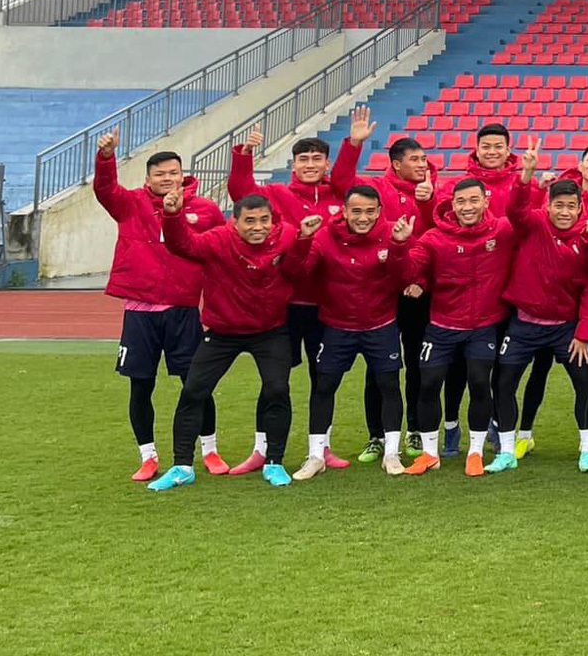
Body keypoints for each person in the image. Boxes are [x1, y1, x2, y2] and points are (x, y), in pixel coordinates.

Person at [146, 194, 321, 491]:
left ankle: (274, 462)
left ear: (272, 220)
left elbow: (296, 271)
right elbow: (183, 246)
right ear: (235, 222)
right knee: (193, 391)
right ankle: (182, 466)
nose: (258, 227)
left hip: (271, 329)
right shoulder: (217, 239)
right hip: (223, 330)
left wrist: (303, 239)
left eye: (264, 220)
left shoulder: (288, 234)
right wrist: (172, 216)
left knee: (277, 389)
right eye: (250, 221)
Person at [92, 129, 223, 481]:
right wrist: (106, 158)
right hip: (140, 312)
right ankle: (148, 456)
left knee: (195, 384)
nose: (167, 179)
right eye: (160, 174)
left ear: (184, 175)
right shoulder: (131, 203)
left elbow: (221, 251)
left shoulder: (206, 210)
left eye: (173, 173)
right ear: (148, 178)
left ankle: (209, 450)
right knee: (141, 385)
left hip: (183, 311)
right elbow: (105, 190)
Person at [229, 119, 357, 469]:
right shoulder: (276, 196)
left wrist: (353, 145)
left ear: (327, 163)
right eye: (304, 159)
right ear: (294, 164)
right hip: (283, 305)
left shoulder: (341, 196)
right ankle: (261, 448)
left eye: (318, 158)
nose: (311, 165)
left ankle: (322, 446)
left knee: (323, 379)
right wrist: (244, 154)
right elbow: (241, 192)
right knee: (274, 382)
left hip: (326, 306)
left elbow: (348, 182)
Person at [293, 184, 416, 479]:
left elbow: (404, 278)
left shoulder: (391, 233)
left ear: (379, 212)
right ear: (345, 211)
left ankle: (391, 453)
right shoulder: (325, 236)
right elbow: (299, 272)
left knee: (389, 385)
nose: (363, 217)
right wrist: (303, 240)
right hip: (336, 326)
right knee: (324, 387)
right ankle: (315, 456)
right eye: (357, 211)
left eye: (370, 211)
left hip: (380, 325)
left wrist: (399, 246)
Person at [404, 172, 522, 477]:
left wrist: (528, 181)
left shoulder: (503, 231)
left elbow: (524, 216)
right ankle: (430, 453)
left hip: (483, 326)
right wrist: (400, 245)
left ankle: (475, 451)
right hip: (441, 325)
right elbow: (410, 267)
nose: (467, 206)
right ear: (451, 205)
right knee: (428, 385)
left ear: (486, 201)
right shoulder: (433, 237)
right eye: (460, 201)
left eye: (473, 200)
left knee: (480, 383)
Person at [493, 178, 588, 474]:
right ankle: (507, 450)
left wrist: (584, 335)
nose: (565, 212)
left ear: (581, 207)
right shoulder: (535, 223)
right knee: (504, 384)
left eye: (571, 206)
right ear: (548, 205)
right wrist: (524, 179)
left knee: (584, 384)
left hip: (566, 329)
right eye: (559, 205)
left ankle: (586, 450)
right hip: (523, 325)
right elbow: (515, 210)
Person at [343, 130, 439, 462]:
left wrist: (422, 280)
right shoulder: (377, 190)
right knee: (379, 366)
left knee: (416, 362)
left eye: (424, 158)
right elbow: (342, 180)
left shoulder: (430, 191)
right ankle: (377, 435)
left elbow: (434, 239)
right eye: (415, 159)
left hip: (417, 290)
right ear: (396, 164)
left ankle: (413, 428)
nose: (422, 164)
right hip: (381, 291)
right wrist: (354, 144)